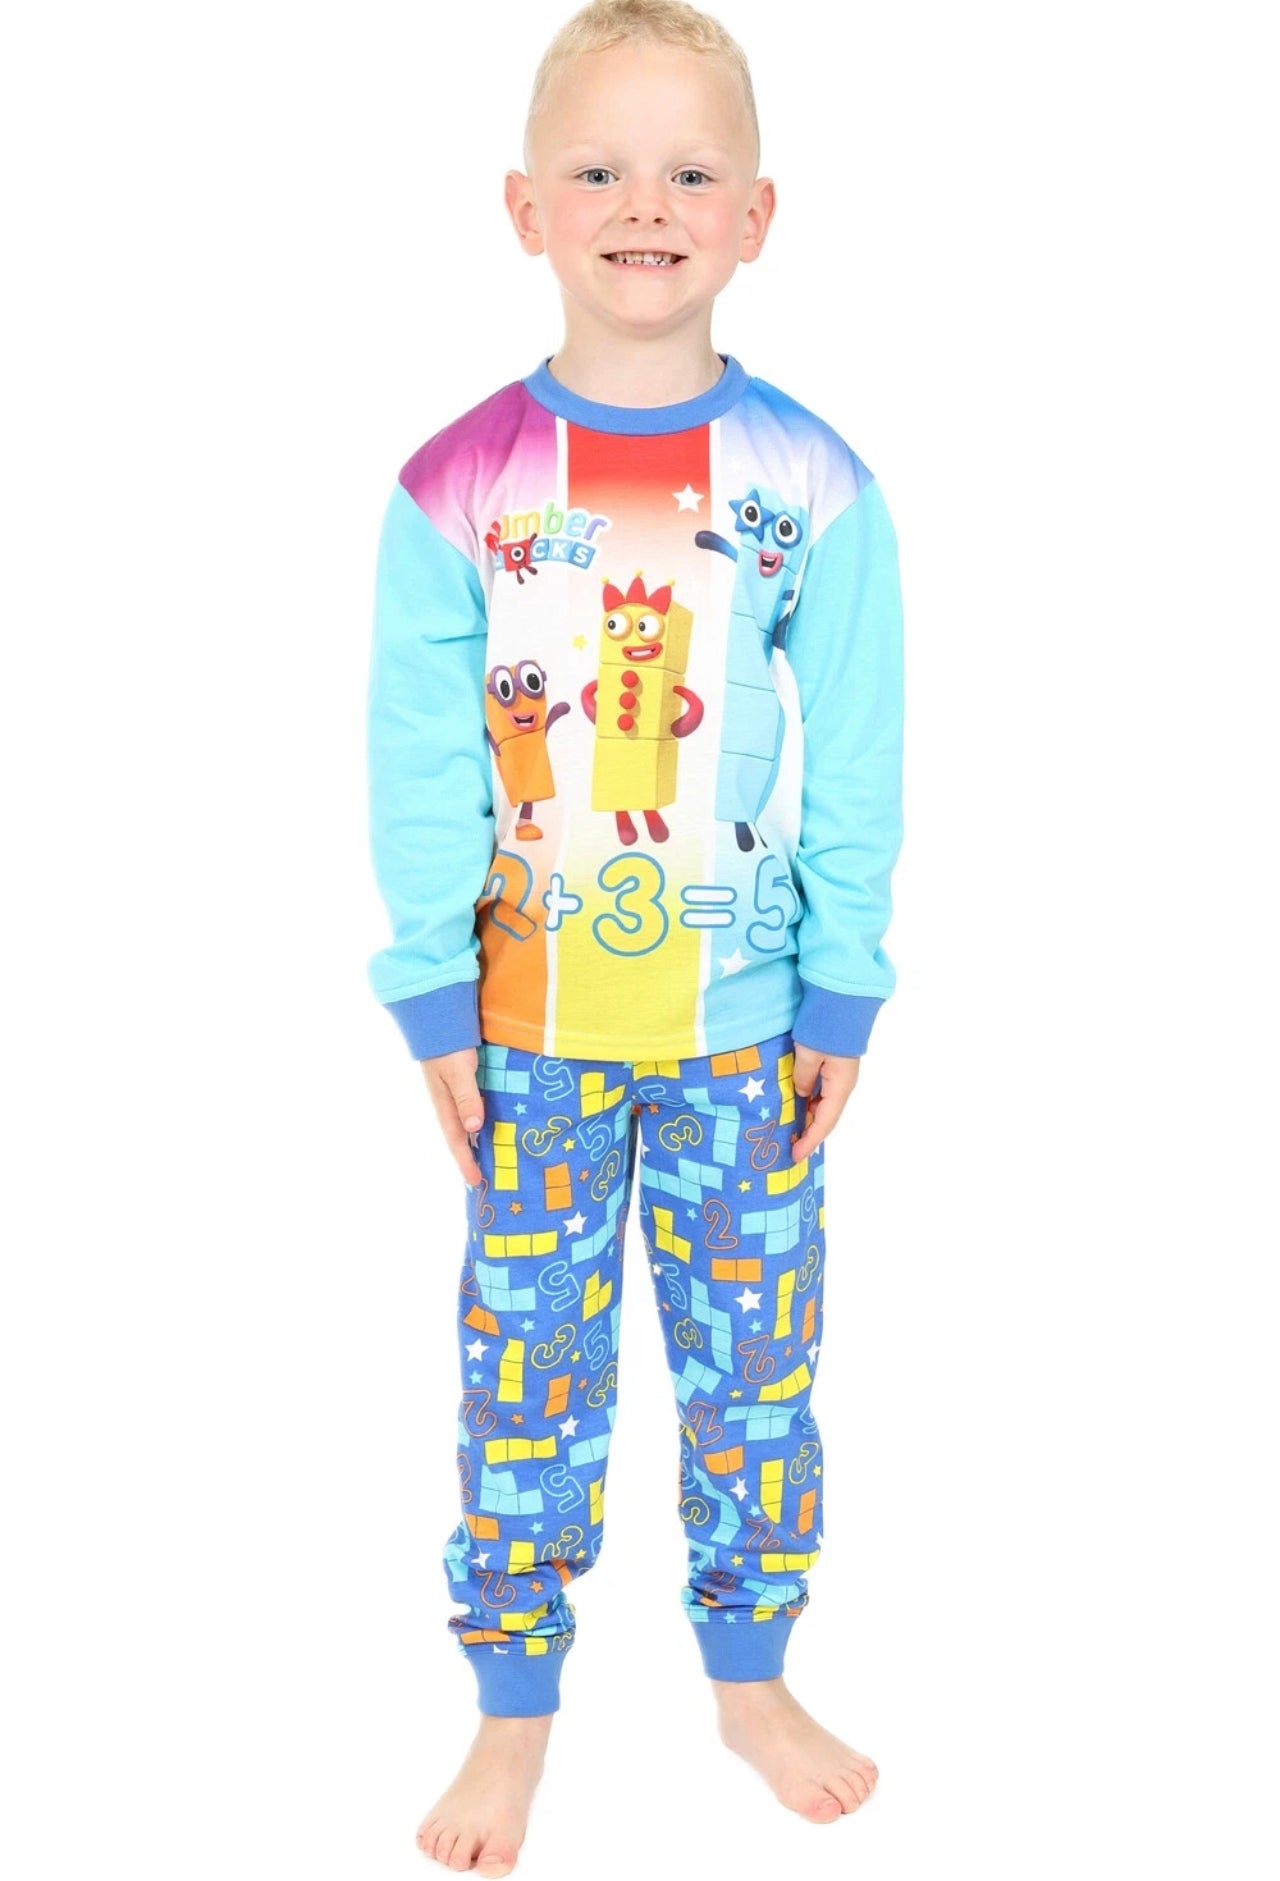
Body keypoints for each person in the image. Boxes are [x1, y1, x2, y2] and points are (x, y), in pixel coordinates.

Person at [365, 2, 904, 1870]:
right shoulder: (457, 482)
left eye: (690, 172)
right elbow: (421, 751)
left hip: (746, 1033)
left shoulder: (813, 481)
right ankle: (512, 1708)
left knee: (755, 1367)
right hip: (525, 1029)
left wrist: (845, 980)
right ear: (526, 207)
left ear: (758, 215)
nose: (645, 206)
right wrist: (430, 982)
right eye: (599, 170)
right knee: (526, 1375)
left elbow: (861, 745)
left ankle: (753, 1678)